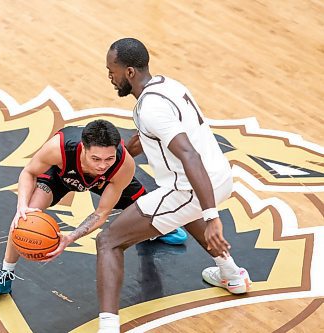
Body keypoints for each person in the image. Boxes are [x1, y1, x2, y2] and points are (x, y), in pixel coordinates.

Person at [96, 38, 252, 333]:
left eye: (112, 71)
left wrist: (212, 216)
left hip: (191, 187)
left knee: (109, 241)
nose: (110, 77)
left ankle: (108, 327)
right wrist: (134, 147)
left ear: (129, 72)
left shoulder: (150, 108)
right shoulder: (169, 86)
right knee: (185, 212)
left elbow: (188, 154)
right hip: (218, 176)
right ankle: (231, 274)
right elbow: (169, 131)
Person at [0, 119, 187, 296]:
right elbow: (28, 173)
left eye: (109, 158)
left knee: (148, 209)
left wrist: (71, 237)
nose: (102, 165)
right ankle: (5, 275)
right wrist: (22, 206)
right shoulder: (58, 148)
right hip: (60, 176)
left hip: (105, 183)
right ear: (83, 148)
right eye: (96, 158)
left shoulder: (123, 165)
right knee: (24, 220)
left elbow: (101, 212)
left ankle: (156, 229)